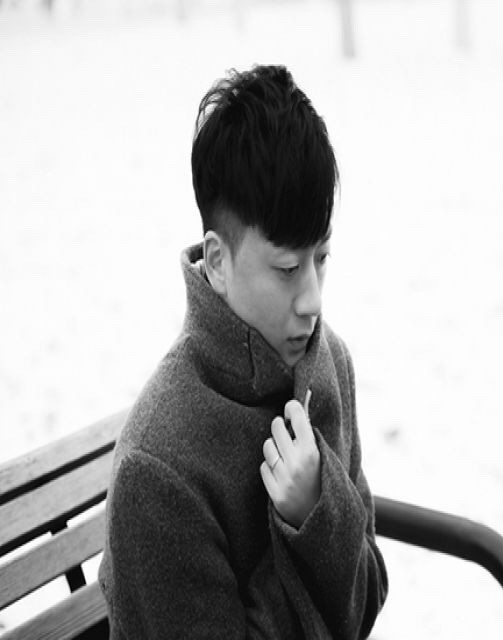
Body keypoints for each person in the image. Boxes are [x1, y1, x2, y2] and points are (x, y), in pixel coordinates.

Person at [98, 64, 388, 639]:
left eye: (321, 258)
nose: (312, 300)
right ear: (218, 261)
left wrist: (318, 506)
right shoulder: (157, 471)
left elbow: (370, 594)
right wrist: (309, 525)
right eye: (287, 268)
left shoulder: (329, 362)